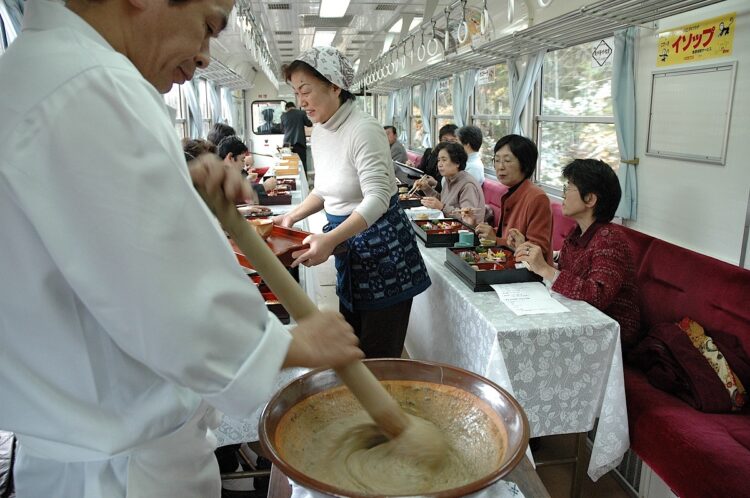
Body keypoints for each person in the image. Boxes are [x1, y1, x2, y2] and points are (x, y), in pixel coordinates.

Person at [0, 2, 363, 497]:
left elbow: (97, 251)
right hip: (120, 471)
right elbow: (169, 310)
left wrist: (183, 198)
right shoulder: (87, 83)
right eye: (207, 27)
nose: (203, 56)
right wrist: (297, 344)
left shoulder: (41, 71)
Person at [275, 46, 431, 359]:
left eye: (305, 90)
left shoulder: (364, 129)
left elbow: (376, 199)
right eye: (295, 92)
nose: (300, 101)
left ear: (335, 86)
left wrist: (330, 239)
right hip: (350, 250)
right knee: (353, 349)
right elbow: (324, 191)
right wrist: (291, 217)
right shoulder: (320, 130)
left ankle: (384, 405)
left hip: (385, 254)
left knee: (379, 357)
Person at [514, 159, 642, 351]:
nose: (563, 195)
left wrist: (545, 269)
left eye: (569, 188)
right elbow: (568, 275)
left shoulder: (610, 239)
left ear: (590, 199)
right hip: (579, 319)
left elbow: (597, 294)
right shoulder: (578, 232)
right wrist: (534, 257)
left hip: (610, 333)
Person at [468, 134, 553, 263]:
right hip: (505, 262)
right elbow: (506, 234)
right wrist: (480, 228)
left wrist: (495, 240)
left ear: (525, 164)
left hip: (530, 274)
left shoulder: (537, 198)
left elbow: (537, 249)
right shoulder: (513, 191)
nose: (500, 167)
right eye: (497, 160)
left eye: (507, 161)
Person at [413, 142, 485, 222]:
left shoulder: (468, 185)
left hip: (465, 232)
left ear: (457, 163)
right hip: (448, 225)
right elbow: (443, 201)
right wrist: (426, 188)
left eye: (444, 160)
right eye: (439, 160)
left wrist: (442, 207)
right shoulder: (449, 179)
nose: (439, 164)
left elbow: (467, 217)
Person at [417, 123, 458, 193]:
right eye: (445, 140)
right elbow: (419, 172)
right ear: (440, 140)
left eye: (452, 141)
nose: (448, 144)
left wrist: (435, 183)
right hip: (423, 192)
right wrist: (411, 168)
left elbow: (452, 190)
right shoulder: (430, 153)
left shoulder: (457, 160)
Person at [281, 101, 313, 173]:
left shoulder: (283, 116)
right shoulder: (301, 113)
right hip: (299, 143)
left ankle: (292, 181)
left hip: (287, 144)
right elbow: (309, 124)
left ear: (286, 108)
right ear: (294, 106)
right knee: (302, 163)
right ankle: (304, 182)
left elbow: (282, 130)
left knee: (289, 164)